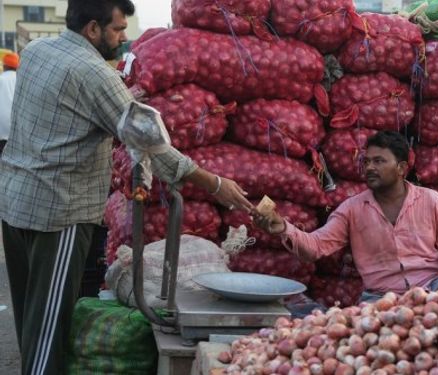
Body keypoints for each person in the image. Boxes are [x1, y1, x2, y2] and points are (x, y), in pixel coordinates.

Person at [0, 1, 254, 374]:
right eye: (118, 30)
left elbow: (68, 107)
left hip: (15, 201)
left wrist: (123, 103)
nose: (122, 38)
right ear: (92, 29)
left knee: (30, 316)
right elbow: (153, 146)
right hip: (59, 212)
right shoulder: (96, 75)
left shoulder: (37, 51)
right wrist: (215, 183)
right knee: (50, 325)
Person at [256, 131, 438, 303]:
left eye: (379, 161)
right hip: (382, 299)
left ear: (401, 168)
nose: (370, 167)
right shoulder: (352, 209)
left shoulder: (430, 200)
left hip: (433, 288)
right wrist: (284, 229)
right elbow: (315, 247)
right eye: (367, 161)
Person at [0, 52, 19, 154]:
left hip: (1, 131)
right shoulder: (21, 79)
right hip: (17, 131)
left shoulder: (1, 79)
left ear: (5, 65)